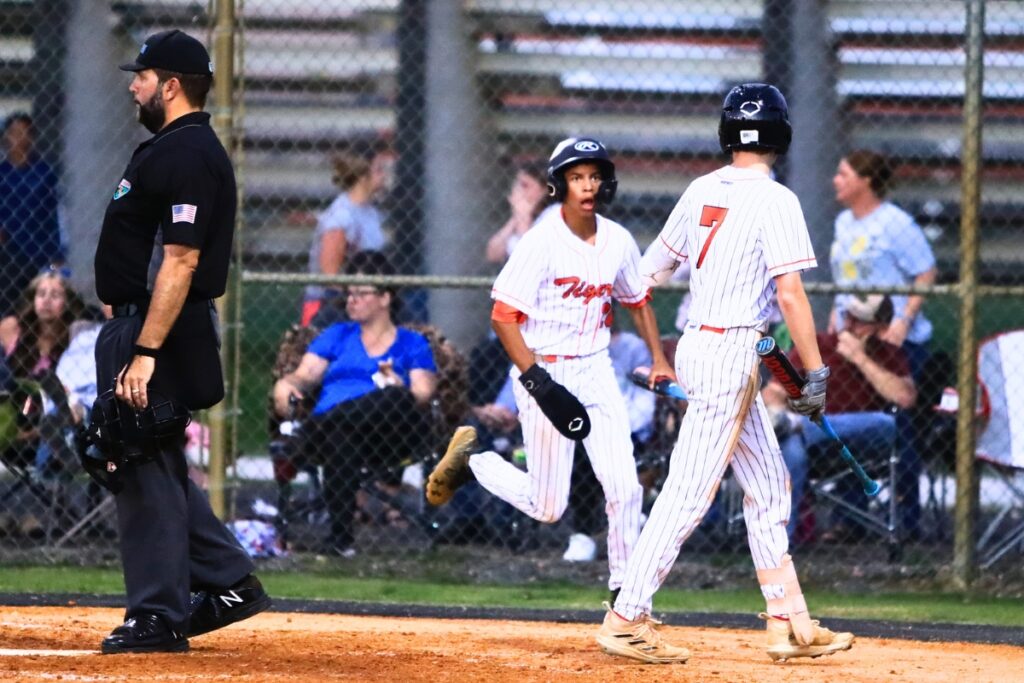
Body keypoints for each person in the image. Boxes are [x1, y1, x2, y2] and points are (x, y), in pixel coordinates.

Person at [595, 84, 855, 664]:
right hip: (731, 354)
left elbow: (647, 272)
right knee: (690, 491)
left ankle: (789, 622)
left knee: (768, 488)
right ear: (779, 135)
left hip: (703, 347)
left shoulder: (700, 188)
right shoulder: (776, 199)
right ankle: (624, 616)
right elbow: (789, 295)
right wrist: (813, 372)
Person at [424, 137, 675, 601]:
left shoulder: (617, 239)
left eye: (594, 176)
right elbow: (503, 316)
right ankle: (474, 463)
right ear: (559, 184)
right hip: (544, 370)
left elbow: (637, 300)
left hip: (596, 369)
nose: (586, 185)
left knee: (624, 486)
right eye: (576, 177)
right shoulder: (541, 241)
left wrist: (659, 358)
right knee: (548, 506)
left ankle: (627, 594)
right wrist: (536, 380)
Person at [91, 30, 271, 654]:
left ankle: (157, 615)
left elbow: (182, 259)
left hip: (155, 330)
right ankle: (226, 582)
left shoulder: (189, 152)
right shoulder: (170, 147)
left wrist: (143, 350)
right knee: (152, 461)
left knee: (136, 461)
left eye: (141, 75)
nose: (132, 85)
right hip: (143, 325)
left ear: (170, 85)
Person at [273, 250, 437, 557]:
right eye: (349, 293)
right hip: (338, 440)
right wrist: (286, 385)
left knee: (395, 396)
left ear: (385, 297)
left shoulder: (411, 342)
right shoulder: (337, 335)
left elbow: (423, 392)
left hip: (389, 433)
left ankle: (316, 428)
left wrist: (398, 384)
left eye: (361, 293)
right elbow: (304, 376)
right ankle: (341, 541)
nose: (352, 300)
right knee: (341, 435)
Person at [831, 149, 936, 535]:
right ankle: (850, 517)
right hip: (853, 337)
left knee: (899, 425)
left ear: (866, 181)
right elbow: (844, 282)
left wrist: (903, 321)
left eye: (843, 174)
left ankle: (906, 520)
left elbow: (925, 272)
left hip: (892, 340)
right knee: (847, 415)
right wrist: (837, 318)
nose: (836, 181)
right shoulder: (844, 222)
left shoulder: (894, 223)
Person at [766, 294, 916, 542]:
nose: (850, 326)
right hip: (814, 444)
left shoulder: (889, 355)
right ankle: (779, 545)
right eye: (848, 317)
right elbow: (773, 393)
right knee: (791, 451)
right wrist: (781, 406)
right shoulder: (816, 345)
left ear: (882, 326)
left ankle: (798, 426)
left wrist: (860, 358)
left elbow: (905, 398)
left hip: (863, 441)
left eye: (861, 321)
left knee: (886, 422)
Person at [563, 324, 657, 563]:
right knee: (581, 460)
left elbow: (646, 392)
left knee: (624, 463)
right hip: (587, 425)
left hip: (630, 426)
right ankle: (583, 535)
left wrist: (629, 424)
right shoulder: (575, 344)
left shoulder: (631, 345)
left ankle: (629, 519)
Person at [302, 141, 390, 327]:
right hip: (331, 304)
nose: (384, 175)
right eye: (379, 170)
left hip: (366, 301)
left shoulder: (370, 212)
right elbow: (330, 275)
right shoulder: (342, 215)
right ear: (362, 176)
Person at [0, 113, 63, 317]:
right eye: (15, 133)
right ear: (5, 138)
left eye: (25, 133)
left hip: (38, 252)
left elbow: (54, 215)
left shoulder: (44, 173)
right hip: (7, 253)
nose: (20, 138)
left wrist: (56, 254)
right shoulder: (2, 174)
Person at [484, 160, 550, 264]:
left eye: (524, 185)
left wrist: (523, 218)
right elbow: (493, 254)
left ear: (545, 190)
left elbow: (533, 258)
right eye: (517, 184)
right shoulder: (524, 214)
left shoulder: (555, 214)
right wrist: (517, 217)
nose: (517, 190)